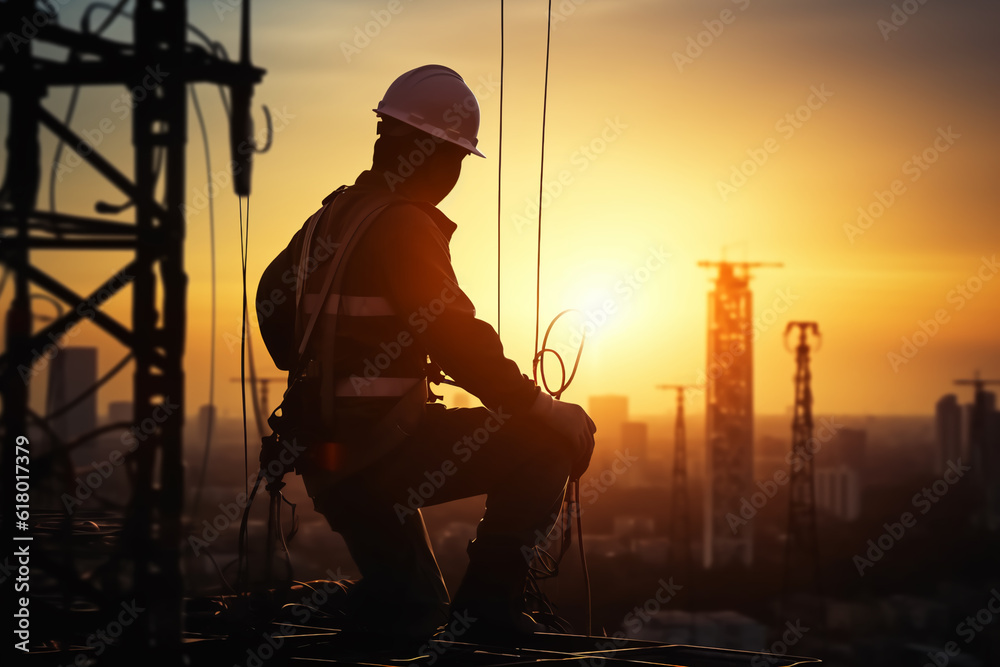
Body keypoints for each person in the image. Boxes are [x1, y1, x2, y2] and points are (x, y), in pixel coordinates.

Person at [256, 65, 596, 642]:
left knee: (410, 609)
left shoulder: (328, 219)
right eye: (458, 159)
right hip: (379, 456)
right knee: (547, 444)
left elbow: (275, 317)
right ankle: (487, 613)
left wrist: (349, 363)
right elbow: (454, 335)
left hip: (332, 462)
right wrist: (541, 407)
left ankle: (379, 619)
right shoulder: (402, 225)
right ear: (433, 153)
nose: (456, 173)